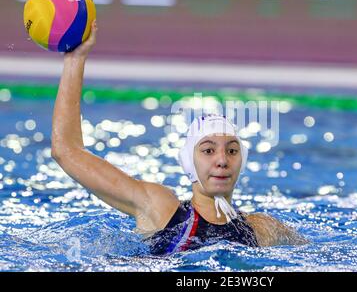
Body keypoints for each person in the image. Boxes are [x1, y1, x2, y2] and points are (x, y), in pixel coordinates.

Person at [51, 20, 308, 255]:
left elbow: (315, 254)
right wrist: (76, 59)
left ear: (242, 159)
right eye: (208, 150)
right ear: (188, 161)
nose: (221, 160)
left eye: (231, 151)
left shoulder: (261, 229)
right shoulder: (160, 209)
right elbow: (66, 151)